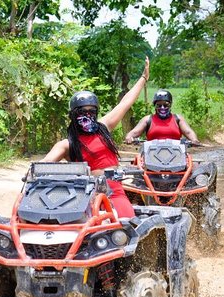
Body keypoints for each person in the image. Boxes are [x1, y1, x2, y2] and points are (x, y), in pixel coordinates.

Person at [41, 57, 150, 219]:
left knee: (128, 226)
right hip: (84, 196)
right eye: (82, 112)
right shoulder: (67, 144)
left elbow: (125, 103)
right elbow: (43, 166)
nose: (87, 115)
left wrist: (143, 78)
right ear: (73, 115)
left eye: (92, 111)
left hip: (114, 192)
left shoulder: (104, 127)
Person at [124, 89, 199, 144]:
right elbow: (134, 132)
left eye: (165, 105)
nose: (162, 108)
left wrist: (194, 140)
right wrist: (129, 137)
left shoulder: (178, 119)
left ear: (170, 105)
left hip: (176, 154)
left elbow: (188, 132)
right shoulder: (148, 119)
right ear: (155, 106)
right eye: (159, 105)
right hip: (152, 154)